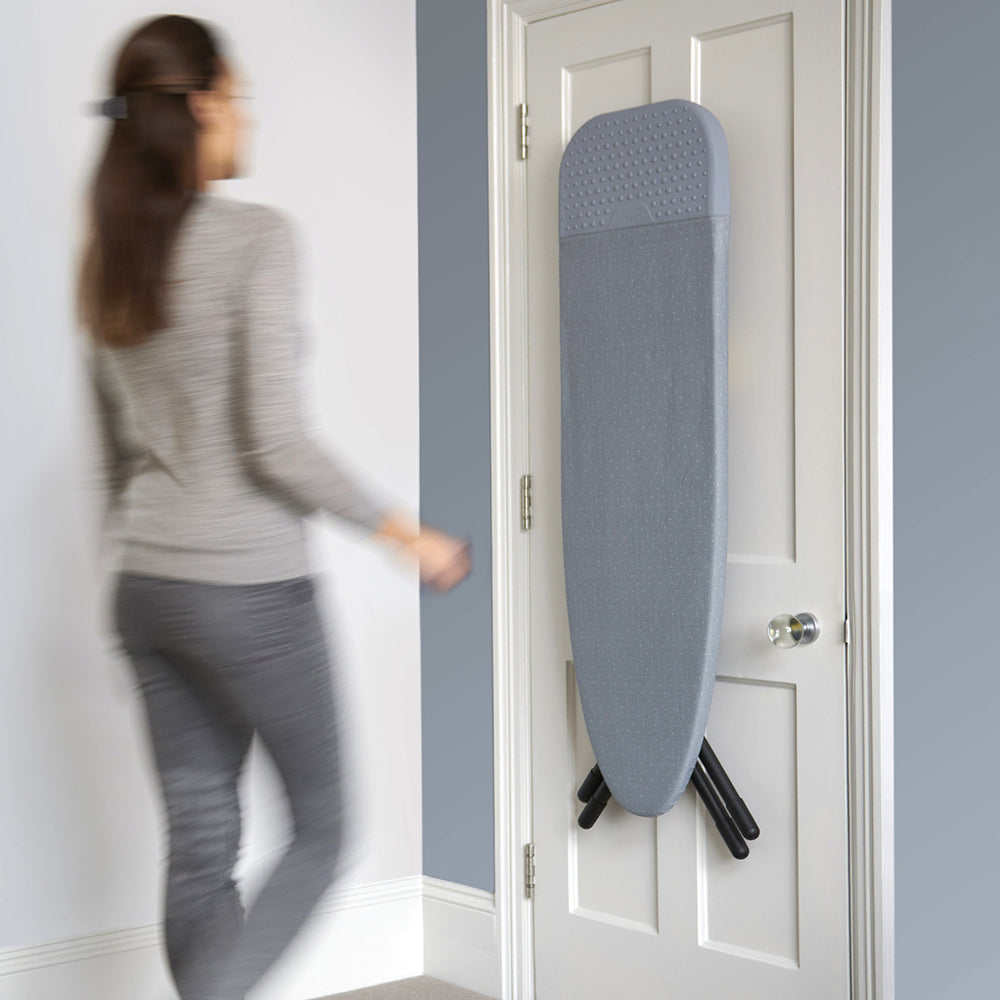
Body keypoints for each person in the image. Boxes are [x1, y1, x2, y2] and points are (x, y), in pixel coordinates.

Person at [75, 14, 471, 1000]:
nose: (248, 115)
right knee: (327, 826)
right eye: (240, 96)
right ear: (202, 105)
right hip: (245, 588)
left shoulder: (106, 264)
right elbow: (275, 444)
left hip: (145, 589)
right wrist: (404, 531)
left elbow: (110, 468)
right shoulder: (255, 238)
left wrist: (122, 600)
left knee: (202, 837)